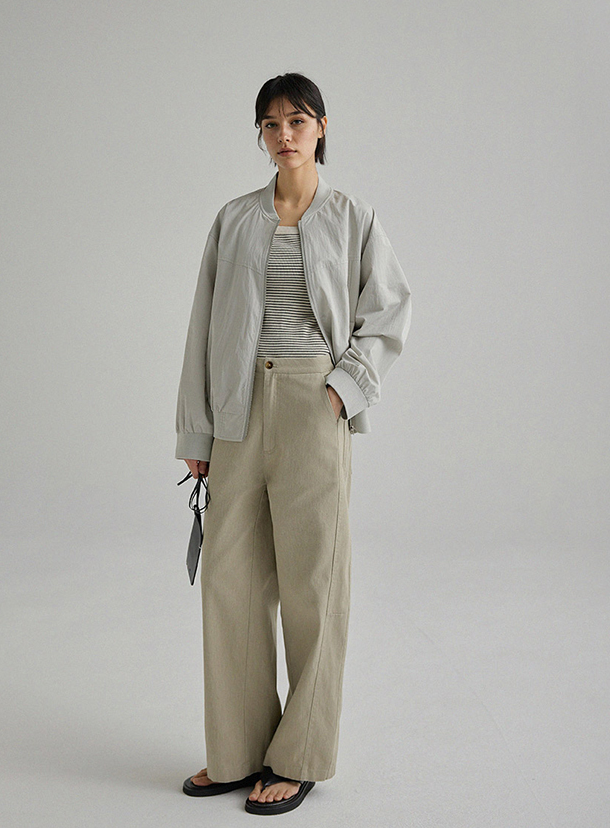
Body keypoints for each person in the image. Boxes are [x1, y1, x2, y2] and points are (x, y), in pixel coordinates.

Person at [176, 72, 412, 815]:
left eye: (298, 121)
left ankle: (300, 755)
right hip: (238, 407)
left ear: (321, 128)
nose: (284, 135)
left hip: (315, 404)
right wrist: (198, 429)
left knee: (314, 584)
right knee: (230, 583)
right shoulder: (233, 219)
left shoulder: (353, 216)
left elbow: (391, 309)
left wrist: (345, 387)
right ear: (261, 134)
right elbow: (203, 327)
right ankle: (238, 751)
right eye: (271, 124)